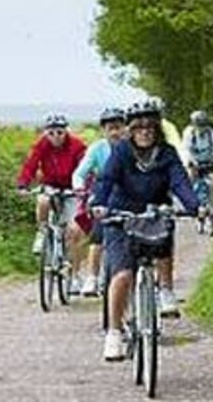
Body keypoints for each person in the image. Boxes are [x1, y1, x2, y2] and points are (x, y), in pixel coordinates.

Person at [93, 99, 198, 361]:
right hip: (121, 215)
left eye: (150, 125)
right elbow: (106, 180)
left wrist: (196, 206)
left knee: (165, 235)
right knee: (123, 274)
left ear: (157, 128)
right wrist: (98, 203)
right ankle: (114, 333)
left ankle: (165, 290)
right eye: (138, 126)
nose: (145, 130)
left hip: (155, 212)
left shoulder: (167, 153)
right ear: (130, 129)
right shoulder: (121, 152)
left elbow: (180, 182)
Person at [16, 113, 88, 287]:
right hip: (50, 185)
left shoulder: (77, 146)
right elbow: (30, 165)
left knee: (73, 232)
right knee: (43, 201)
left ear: (66, 132)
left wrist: (84, 188)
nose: (56, 136)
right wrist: (23, 184)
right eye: (52, 132)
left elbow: (85, 168)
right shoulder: (42, 145)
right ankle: (42, 232)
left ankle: (76, 274)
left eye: (60, 132)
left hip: (72, 188)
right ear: (46, 133)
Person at [71, 107, 127, 296]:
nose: (115, 132)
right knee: (98, 236)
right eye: (110, 128)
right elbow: (80, 173)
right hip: (104, 196)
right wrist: (79, 187)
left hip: (131, 195)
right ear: (104, 130)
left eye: (119, 127)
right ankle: (92, 277)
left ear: (125, 128)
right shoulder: (97, 148)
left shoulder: (134, 147)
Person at [182, 110, 213, 216]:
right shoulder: (189, 132)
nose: (201, 127)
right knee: (191, 179)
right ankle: (192, 204)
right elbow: (185, 148)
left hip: (208, 162)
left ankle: (212, 206)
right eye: (199, 125)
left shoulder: (211, 133)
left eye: (203, 124)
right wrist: (190, 161)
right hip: (194, 162)